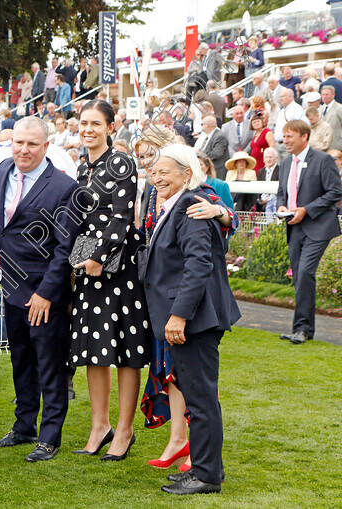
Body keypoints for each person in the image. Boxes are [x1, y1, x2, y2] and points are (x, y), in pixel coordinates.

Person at [0, 116, 81, 462]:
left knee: (50, 365)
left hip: (44, 293)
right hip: (9, 285)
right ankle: (24, 427)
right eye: (19, 142)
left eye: (32, 144)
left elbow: (66, 249)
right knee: (21, 361)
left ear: (46, 147)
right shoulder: (5, 169)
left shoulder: (63, 187)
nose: (24, 150)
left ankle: (50, 437)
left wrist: (46, 293)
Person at [144, 143, 240, 495]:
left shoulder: (190, 205)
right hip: (191, 319)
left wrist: (178, 316)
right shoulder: (181, 204)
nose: (157, 178)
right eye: (154, 172)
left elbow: (198, 266)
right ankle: (202, 468)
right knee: (198, 398)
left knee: (201, 400)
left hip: (195, 320)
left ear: (187, 173)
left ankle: (207, 476)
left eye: (164, 172)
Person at [67, 100, 148, 462]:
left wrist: (99, 258)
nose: (88, 129)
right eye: (83, 123)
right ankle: (100, 425)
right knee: (93, 350)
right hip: (87, 268)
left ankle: (125, 430)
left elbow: (122, 216)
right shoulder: (83, 166)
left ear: (110, 127)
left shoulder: (122, 163)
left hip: (118, 269)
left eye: (95, 123)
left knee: (126, 352)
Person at [276, 120, 342, 344]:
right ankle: (303, 329)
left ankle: (302, 329)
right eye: (284, 137)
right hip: (293, 226)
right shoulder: (285, 163)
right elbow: (280, 193)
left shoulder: (322, 160)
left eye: (290, 136)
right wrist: (282, 206)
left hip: (318, 226)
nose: (285, 141)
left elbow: (336, 191)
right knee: (300, 276)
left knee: (304, 273)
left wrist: (306, 210)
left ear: (304, 137)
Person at [257, 147, 280, 217]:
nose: (268, 159)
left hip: (273, 201)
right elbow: (258, 188)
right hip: (261, 201)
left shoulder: (280, 170)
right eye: (266, 157)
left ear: (276, 159)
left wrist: (267, 199)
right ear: (264, 159)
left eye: (271, 157)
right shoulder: (261, 171)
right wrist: (259, 199)